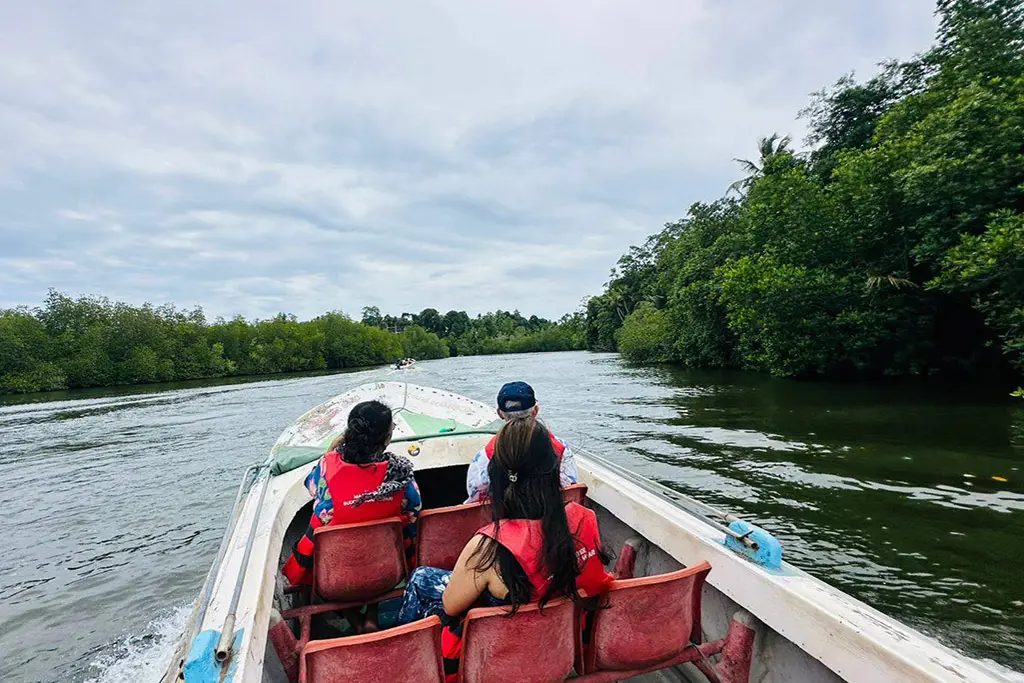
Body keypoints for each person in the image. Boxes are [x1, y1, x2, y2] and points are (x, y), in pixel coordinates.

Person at [397, 418, 612, 681]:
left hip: (496, 660)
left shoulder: (488, 548)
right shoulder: (584, 520)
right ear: (554, 471)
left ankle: (407, 666)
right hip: (555, 651)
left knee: (420, 579)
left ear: (496, 477)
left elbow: (450, 607)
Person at [282, 400, 422, 588]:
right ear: (387, 437)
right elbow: (415, 512)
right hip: (389, 572)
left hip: (332, 579)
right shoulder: (401, 472)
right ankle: (369, 615)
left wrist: (330, 453)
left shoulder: (326, 466)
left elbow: (312, 486)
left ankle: (360, 616)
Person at [465, 381, 578, 503]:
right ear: (535, 411)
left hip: (503, 519)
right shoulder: (561, 449)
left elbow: (475, 499)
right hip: (552, 518)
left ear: (500, 414)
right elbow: (570, 490)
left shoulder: (484, 457)